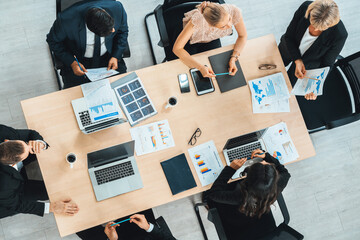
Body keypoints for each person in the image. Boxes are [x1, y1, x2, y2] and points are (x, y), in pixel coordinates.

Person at [204, 149, 291, 240]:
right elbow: (285, 173)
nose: (264, 162)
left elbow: (212, 194)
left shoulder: (238, 196)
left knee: (208, 196)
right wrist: (266, 156)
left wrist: (231, 169)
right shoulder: (277, 187)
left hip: (237, 228)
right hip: (260, 220)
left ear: (248, 177)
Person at [0, 124, 79, 218]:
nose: (30, 147)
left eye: (25, 143)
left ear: (7, 141)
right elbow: (17, 205)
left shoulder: (3, 132)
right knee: (49, 192)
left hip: (9, 176)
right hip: (9, 198)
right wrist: (52, 207)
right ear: (14, 164)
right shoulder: (3, 186)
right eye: (28, 150)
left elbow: (30, 134)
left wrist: (40, 143)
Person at [47, 0, 128, 89]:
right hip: (78, 60)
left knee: (123, 89)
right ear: (91, 30)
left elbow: (122, 32)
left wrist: (116, 56)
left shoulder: (117, 8)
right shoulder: (65, 20)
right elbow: (52, 41)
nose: (113, 30)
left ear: (105, 12)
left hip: (109, 56)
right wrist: (71, 62)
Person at [278, 0, 347, 100]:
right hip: (288, 49)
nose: (314, 30)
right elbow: (289, 36)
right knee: (267, 70)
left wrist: (315, 87)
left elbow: (326, 64)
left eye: (320, 28)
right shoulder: (305, 7)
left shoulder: (339, 35)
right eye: (313, 24)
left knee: (284, 91)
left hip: (307, 67)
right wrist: (297, 60)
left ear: (330, 25)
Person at [173, 1, 247, 78]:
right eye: (223, 27)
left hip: (211, 38)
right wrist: (200, 67)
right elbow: (177, 49)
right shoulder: (198, 21)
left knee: (217, 66)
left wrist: (234, 58)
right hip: (190, 40)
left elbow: (243, 36)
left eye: (229, 19)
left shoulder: (233, 11)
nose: (229, 26)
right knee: (185, 69)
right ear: (210, 25)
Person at [104, 214, 176, 240]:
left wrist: (113, 239)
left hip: (121, 236)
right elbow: (168, 238)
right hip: (147, 231)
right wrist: (148, 227)